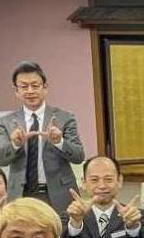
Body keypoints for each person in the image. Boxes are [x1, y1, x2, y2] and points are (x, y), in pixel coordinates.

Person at [0, 61, 85, 221]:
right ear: (16, 91)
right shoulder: (6, 122)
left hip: (58, 194)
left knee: (62, 234)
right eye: (24, 86)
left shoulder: (65, 117)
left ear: (45, 87)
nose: (30, 91)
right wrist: (15, 144)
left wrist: (59, 142)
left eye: (35, 85)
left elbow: (79, 156)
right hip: (21, 195)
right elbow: (2, 160)